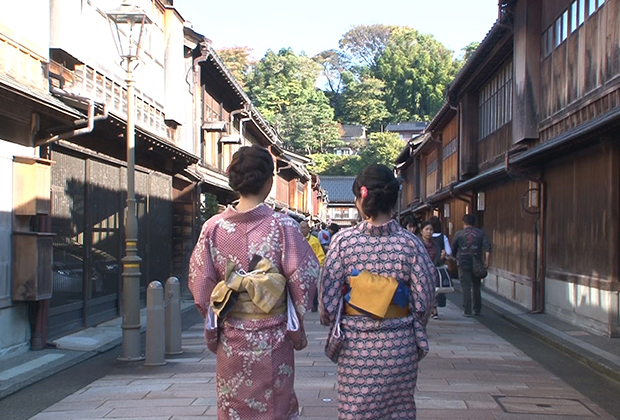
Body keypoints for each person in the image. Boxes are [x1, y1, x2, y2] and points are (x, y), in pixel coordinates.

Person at [188, 145, 320, 420]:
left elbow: (201, 286)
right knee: (275, 407)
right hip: (273, 336)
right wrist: (295, 320)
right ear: (269, 182)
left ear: (234, 181)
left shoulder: (213, 227)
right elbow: (303, 278)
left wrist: (218, 318)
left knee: (233, 406)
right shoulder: (283, 226)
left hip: (232, 335)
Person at [319, 164, 436, 420]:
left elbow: (328, 301)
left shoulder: (344, 242)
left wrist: (332, 316)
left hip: (356, 347)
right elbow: (424, 299)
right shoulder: (410, 243)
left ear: (361, 199)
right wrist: (411, 323)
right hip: (399, 344)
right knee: (399, 412)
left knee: (355, 412)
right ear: (393, 200)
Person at [451, 213, 492, 317]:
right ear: (474, 223)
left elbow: (453, 250)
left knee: (465, 287)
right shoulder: (480, 233)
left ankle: (467, 311)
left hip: (463, 262)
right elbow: (487, 247)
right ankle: (477, 309)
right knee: (476, 286)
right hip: (477, 263)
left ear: (464, 223)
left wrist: (456, 259)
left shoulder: (459, 234)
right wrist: (487, 261)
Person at [420, 220, 446, 319]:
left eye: (431, 229)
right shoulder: (417, 242)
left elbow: (439, 261)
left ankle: (434, 309)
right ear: (422, 231)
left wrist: (442, 257)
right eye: (426, 229)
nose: (429, 232)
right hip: (420, 271)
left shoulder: (436, 245)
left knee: (433, 292)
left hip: (432, 272)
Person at [300, 220, 325, 312]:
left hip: (312, 267)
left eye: (304, 228)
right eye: (301, 228)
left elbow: (320, 254)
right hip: (300, 267)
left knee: (313, 287)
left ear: (308, 229)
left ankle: (314, 305)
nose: (302, 230)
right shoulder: (296, 239)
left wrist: (319, 265)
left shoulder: (314, 241)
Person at [430, 216, 452, 317]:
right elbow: (449, 252)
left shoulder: (425, 238)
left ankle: (433, 309)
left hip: (427, 266)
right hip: (439, 265)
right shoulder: (443, 237)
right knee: (437, 288)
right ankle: (435, 309)